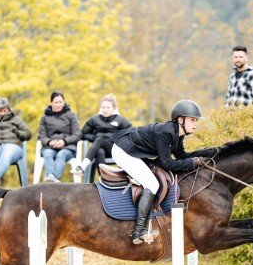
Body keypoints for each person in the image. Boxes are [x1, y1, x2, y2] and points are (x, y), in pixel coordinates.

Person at [111, 100, 217, 245]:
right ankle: (139, 231)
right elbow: (167, 163)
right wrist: (194, 162)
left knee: (152, 181)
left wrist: (207, 153)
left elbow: (182, 157)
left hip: (132, 151)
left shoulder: (177, 134)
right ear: (180, 119)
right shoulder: (166, 132)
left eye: (196, 120)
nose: (195, 123)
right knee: (152, 183)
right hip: (123, 151)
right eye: (192, 119)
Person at [79, 94, 132, 181]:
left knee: (99, 140)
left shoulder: (120, 120)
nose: (105, 110)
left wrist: (117, 139)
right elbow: (83, 134)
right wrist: (93, 138)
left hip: (115, 150)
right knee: (99, 151)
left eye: (108, 107)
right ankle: (104, 179)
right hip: (98, 149)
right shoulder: (94, 119)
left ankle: (82, 166)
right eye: (103, 107)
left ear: (114, 108)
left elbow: (130, 133)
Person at [38, 91, 82, 182]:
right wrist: (49, 142)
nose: (58, 104)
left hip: (68, 147)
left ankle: (53, 179)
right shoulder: (44, 117)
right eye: (56, 102)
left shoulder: (71, 116)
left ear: (64, 102)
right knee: (47, 154)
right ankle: (52, 177)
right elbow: (41, 136)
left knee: (61, 154)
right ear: (51, 103)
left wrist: (64, 142)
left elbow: (77, 134)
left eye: (60, 102)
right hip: (50, 147)